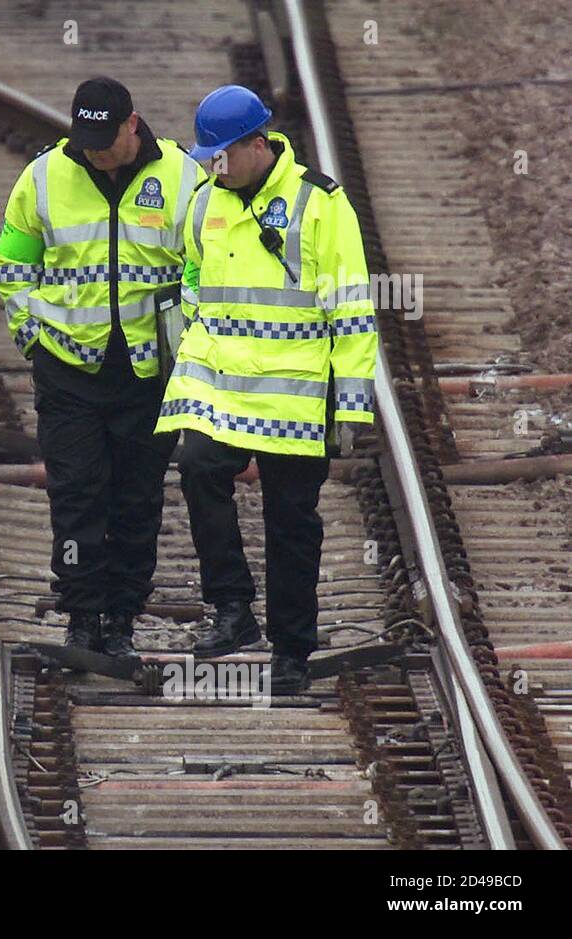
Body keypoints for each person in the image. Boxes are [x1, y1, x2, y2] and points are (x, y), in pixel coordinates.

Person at [155, 84, 378, 693]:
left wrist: (353, 404)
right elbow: (196, 281)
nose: (215, 165)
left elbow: (353, 307)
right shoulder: (205, 202)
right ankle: (232, 610)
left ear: (259, 144)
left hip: (293, 395)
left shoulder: (319, 204)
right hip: (220, 383)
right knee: (198, 468)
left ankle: (291, 649)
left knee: (291, 521)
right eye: (209, 156)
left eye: (224, 153)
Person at [0, 77, 205, 657]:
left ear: (131, 123)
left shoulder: (185, 178)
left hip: (148, 374)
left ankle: (123, 619)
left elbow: (206, 266)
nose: (94, 150)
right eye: (84, 138)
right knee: (77, 494)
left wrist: (184, 338)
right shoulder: (42, 177)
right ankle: (82, 616)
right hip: (68, 370)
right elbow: (13, 265)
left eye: (105, 139)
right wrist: (32, 336)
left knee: (138, 499)